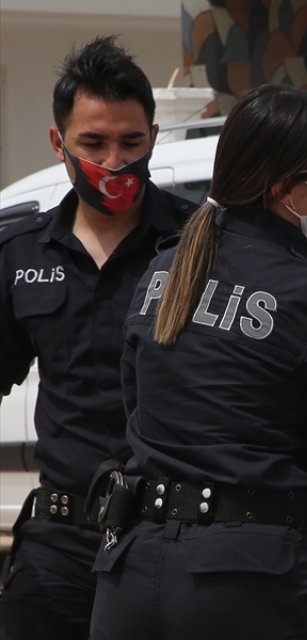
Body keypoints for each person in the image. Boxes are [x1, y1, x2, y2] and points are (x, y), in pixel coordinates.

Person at [89, 84, 307, 639]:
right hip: (250, 579)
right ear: (285, 188)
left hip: (132, 570)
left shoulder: (163, 270)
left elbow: (135, 411)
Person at [0, 36, 196, 640]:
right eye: (94, 143)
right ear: (59, 144)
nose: (114, 161)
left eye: (131, 143)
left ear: (154, 139)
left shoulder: (200, 245)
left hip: (178, 541)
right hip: (59, 545)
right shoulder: (20, 254)